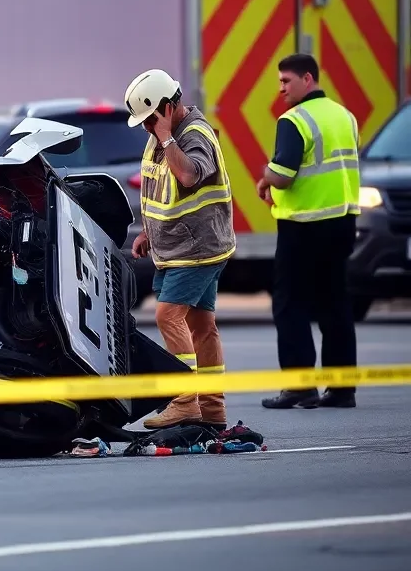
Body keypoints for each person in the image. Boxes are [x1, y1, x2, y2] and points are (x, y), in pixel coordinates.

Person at [125, 69, 236, 429]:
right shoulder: (162, 135)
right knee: (202, 326)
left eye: (150, 119)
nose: (147, 128)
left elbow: (189, 176)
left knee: (167, 317)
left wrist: (166, 137)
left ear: (169, 107)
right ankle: (213, 410)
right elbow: (159, 188)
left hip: (196, 250)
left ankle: (185, 402)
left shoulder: (191, 135)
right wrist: (147, 232)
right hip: (178, 247)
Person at [257, 53, 361, 410]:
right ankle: (342, 388)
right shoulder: (344, 116)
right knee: (335, 303)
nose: (281, 89)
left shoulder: (294, 120)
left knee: (290, 305)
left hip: (303, 226)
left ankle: (300, 387)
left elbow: (284, 173)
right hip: (342, 221)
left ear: (307, 78)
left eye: (286, 81)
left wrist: (265, 177)